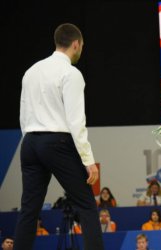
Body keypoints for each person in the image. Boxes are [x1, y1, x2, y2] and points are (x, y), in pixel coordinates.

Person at [15, 23, 104, 250]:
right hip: (57, 142)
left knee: (29, 210)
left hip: (30, 141)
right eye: (82, 46)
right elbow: (76, 121)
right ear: (76, 44)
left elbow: (24, 115)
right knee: (86, 205)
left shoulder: (31, 71)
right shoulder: (71, 73)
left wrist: (32, 139)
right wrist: (88, 160)